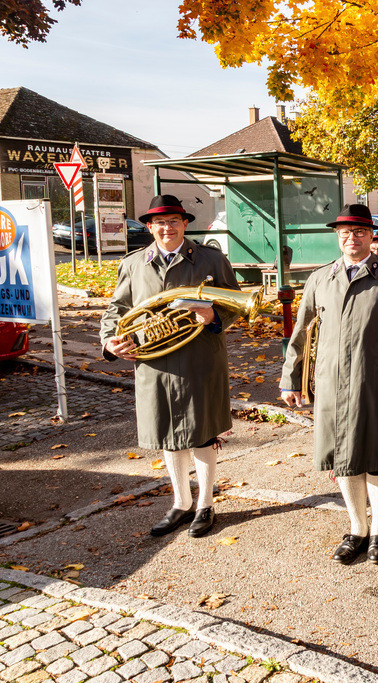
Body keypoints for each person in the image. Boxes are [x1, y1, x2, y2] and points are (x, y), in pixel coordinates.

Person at [281, 204, 378, 566]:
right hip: (330, 385)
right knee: (343, 458)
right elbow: (301, 334)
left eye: (359, 231)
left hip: (374, 383)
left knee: (376, 458)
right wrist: (290, 379)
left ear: (371, 235)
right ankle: (357, 529)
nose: (351, 237)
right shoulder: (319, 278)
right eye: (344, 231)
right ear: (337, 236)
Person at [100, 194, 240, 538]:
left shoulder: (210, 258)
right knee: (169, 434)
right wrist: (108, 341)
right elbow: (116, 310)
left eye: (173, 221)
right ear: (149, 227)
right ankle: (181, 503)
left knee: (202, 433)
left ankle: (205, 504)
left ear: (185, 224)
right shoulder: (134, 264)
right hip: (154, 363)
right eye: (159, 223)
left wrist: (213, 315)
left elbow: (235, 303)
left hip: (200, 360)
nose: (167, 228)